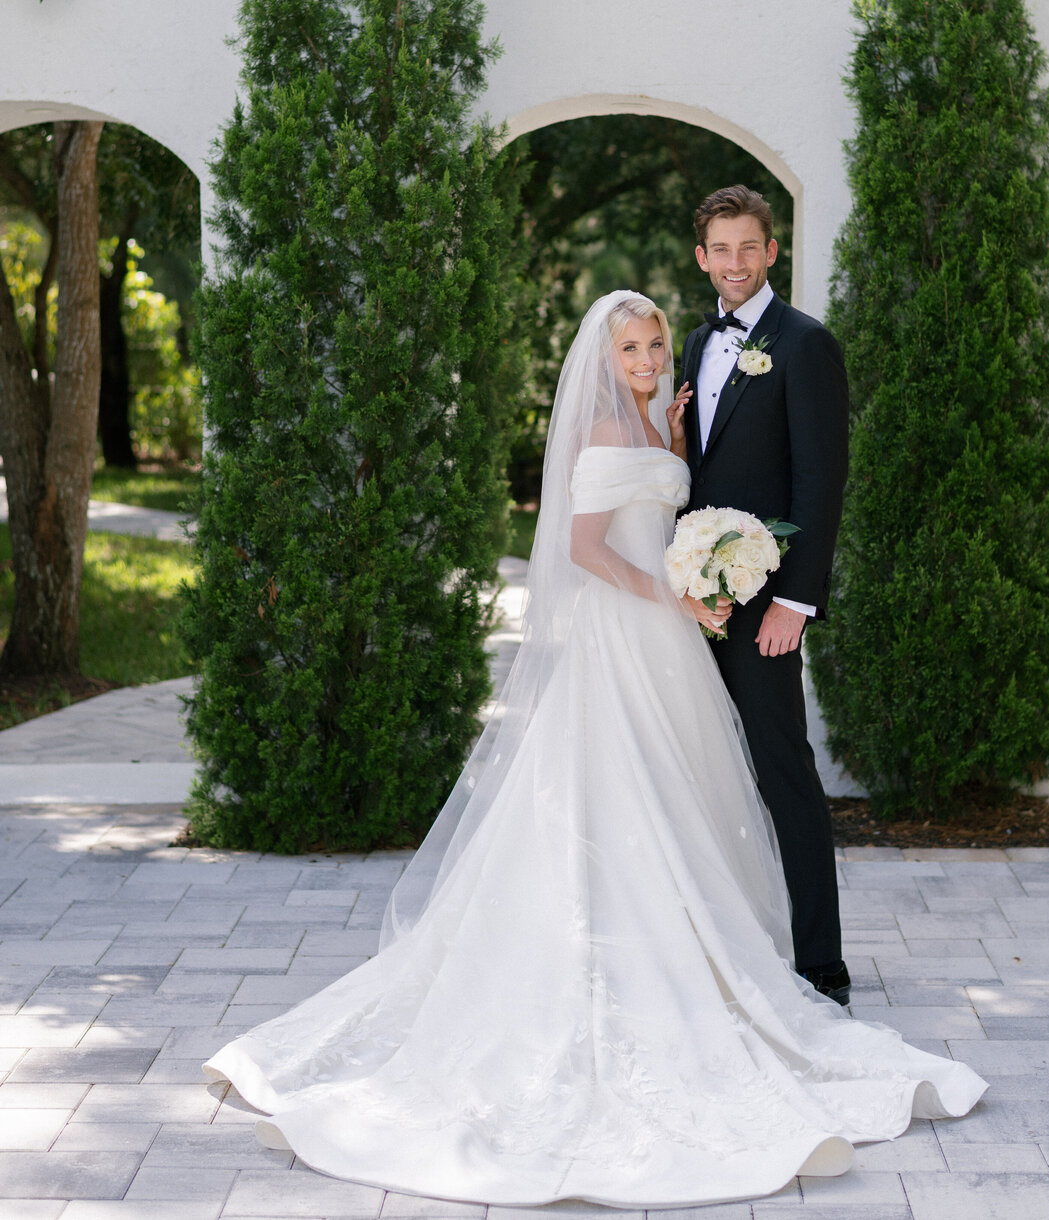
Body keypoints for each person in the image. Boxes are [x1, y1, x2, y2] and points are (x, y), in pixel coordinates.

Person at [203, 290, 984, 1206]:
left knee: (681, 795)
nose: (650, 356)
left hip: (670, 644)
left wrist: (686, 469)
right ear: (603, 358)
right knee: (622, 797)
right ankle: (620, 960)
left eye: (657, 342)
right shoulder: (605, 435)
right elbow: (583, 548)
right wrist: (676, 594)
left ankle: (695, 951)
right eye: (632, 348)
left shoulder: (656, 421)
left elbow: (673, 509)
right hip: (629, 634)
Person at [680, 184, 851, 1006]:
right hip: (691, 604)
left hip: (764, 605)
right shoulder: (691, 342)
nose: (736, 263)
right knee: (696, 770)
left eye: (750, 247)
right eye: (722, 249)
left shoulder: (805, 345)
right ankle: (716, 949)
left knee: (783, 770)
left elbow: (821, 482)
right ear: (702, 256)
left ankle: (822, 963)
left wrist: (795, 602)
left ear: (771, 252)